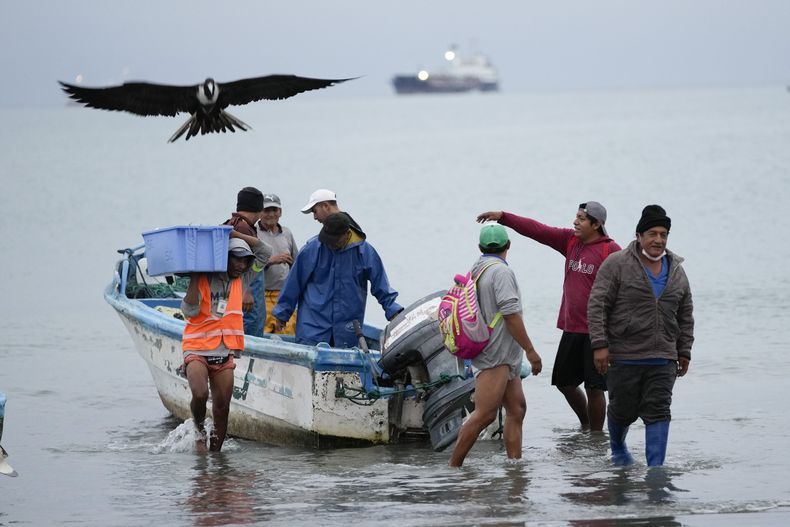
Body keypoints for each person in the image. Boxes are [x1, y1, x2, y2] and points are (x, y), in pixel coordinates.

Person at [476, 203, 620, 432]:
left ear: (597, 224)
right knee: (564, 383)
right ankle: (586, 425)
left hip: (598, 331)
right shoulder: (570, 241)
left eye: (581, 219)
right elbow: (537, 230)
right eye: (576, 216)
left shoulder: (610, 251)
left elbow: (626, 289)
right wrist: (504, 217)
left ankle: (596, 436)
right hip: (572, 328)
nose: (575, 222)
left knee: (595, 388)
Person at [588, 205, 694, 466]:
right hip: (625, 355)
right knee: (622, 411)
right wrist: (600, 345)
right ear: (638, 235)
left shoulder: (677, 270)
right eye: (652, 233)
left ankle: (656, 471)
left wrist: (684, 350)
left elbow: (685, 313)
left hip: (663, 356)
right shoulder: (617, 264)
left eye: (664, 234)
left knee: (659, 411)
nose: (658, 240)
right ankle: (617, 448)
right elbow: (598, 304)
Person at [449, 225, 543, 467]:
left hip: (503, 353)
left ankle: (515, 467)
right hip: (496, 354)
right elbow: (511, 314)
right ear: (509, 245)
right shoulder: (500, 272)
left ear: (480, 248)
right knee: (485, 414)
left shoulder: (478, 268)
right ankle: (453, 467)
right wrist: (531, 352)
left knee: (517, 408)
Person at [181, 231, 269, 452]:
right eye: (235, 258)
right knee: (200, 394)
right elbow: (189, 310)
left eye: (244, 260)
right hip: (197, 348)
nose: (240, 265)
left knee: (222, 407)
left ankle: (217, 456)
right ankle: (199, 430)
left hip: (224, 350)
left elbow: (265, 252)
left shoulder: (245, 277)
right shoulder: (203, 277)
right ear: (223, 258)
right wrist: (194, 277)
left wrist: (231, 233)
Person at [272, 213, 402, 347]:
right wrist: (282, 313)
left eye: (335, 241)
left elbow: (380, 284)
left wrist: (392, 310)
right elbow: (294, 283)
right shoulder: (312, 249)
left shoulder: (365, 252)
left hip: (348, 324)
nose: (331, 244)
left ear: (347, 234)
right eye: (328, 240)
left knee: (345, 363)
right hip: (313, 323)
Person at [223, 186, 268, 337]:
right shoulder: (243, 228)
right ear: (260, 211)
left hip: (242, 287)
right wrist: (246, 290)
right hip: (247, 291)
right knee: (251, 325)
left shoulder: (233, 223)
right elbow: (241, 263)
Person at [257, 193, 299, 334]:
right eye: (266, 210)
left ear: (280, 212)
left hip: (284, 296)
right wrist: (271, 261)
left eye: (274, 210)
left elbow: (296, 264)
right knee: (264, 332)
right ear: (259, 213)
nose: (271, 214)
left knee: (288, 332)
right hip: (262, 295)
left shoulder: (287, 233)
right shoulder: (253, 233)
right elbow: (246, 266)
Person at [300, 188, 365, 235]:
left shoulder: (343, 226)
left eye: (315, 211)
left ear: (326, 206)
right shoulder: (348, 223)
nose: (315, 217)